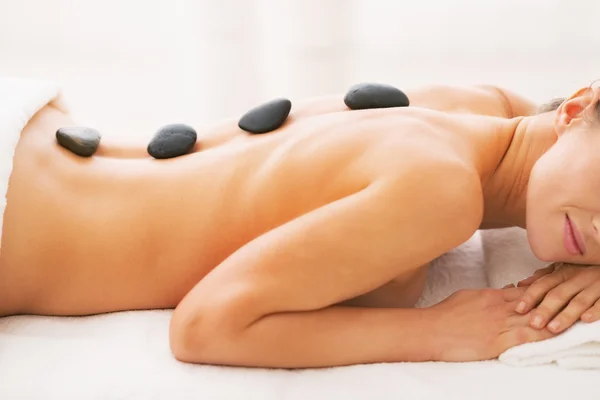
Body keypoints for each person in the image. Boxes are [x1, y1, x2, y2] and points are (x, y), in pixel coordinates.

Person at [1, 80, 600, 369]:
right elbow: (206, 328)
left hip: (29, 139)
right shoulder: (441, 194)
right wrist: (438, 332)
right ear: (576, 107)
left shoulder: (477, 106)